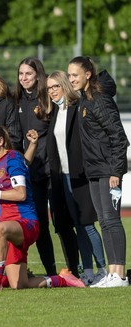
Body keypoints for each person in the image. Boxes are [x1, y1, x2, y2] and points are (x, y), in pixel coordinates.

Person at [0, 124, 84, 291]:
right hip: (10, 227)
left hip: (25, 223)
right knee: (19, 285)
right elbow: (24, 163)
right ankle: (62, 279)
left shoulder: (12, 160)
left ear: (0, 141)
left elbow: (21, 194)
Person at [68, 56, 129, 287]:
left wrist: (116, 171)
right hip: (94, 170)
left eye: (75, 75)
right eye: (69, 74)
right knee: (103, 221)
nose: (71, 79)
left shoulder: (100, 100)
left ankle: (120, 275)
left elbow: (119, 138)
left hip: (108, 170)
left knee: (112, 221)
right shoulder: (86, 99)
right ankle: (113, 274)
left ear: (88, 74)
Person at [45, 70, 107, 285]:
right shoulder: (55, 111)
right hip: (63, 176)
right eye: (49, 88)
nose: (52, 91)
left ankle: (102, 269)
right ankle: (88, 271)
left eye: (55, 86)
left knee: (88, 224)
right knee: (78, 225)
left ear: (64, 85)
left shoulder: (77, 106)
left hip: (80, 175)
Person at [14, 57, 56, 277]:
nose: (24, 78)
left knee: (64, 223)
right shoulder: (17, 102)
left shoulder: (49, 99)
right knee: (40, 225)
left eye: (28, 74)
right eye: (21, 74)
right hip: (32, 173)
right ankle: (51, 271)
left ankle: (80, 270)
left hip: (55, 172)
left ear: (38, 75)